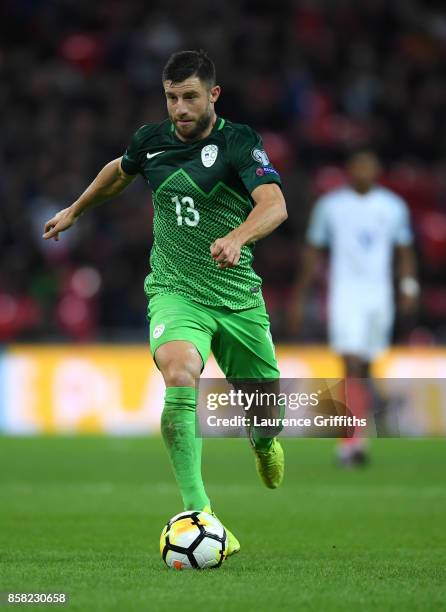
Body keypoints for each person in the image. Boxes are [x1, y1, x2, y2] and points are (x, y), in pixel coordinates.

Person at [43, 50, 288, 556]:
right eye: (172, 97)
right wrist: (76, 209)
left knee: (266, 414)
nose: (180, 108)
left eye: (190, 97)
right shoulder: (151, 141)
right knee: (179, 373)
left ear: (213, 95)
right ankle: (200, 510)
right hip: (176, 292)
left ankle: (263, 442)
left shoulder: (239, 142)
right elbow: (120, 170)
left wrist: (239, 237)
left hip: (238, 299)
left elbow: (275, 204)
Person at [289, 149, 418, 465]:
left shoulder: (392, 206)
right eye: (358, 165)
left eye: (368, 165)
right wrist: (299, 295)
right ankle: (351, 442)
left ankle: (368, 424)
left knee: (368, 364)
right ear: (350, 170)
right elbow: (313, 252)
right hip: (345, 294)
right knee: (351, 362)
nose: (363, 171)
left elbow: (404, 250)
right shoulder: (331, 206)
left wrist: (408, 286)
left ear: (376, 169)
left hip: (379, 296)